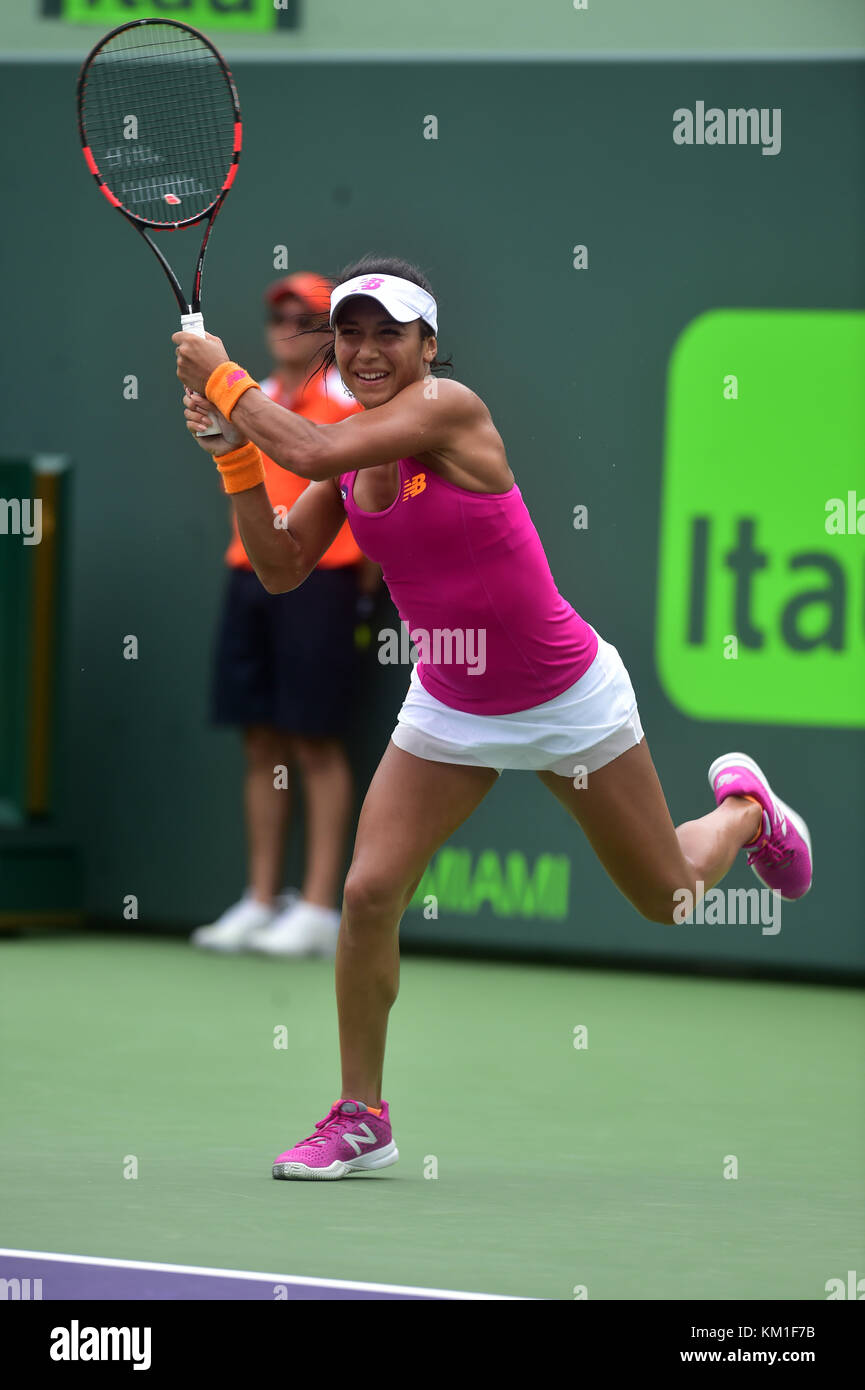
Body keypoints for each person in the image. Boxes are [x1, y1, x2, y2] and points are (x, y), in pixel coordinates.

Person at [174, 254, 813, 1181]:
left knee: (669, 897)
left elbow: (305, 448)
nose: (364, 349)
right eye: (348, 332)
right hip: (450, 701)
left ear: (428, 346)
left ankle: (746, 811)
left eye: (388, 332)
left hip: (567, 699)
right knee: (366, 894)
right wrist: (232, 451)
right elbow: (277, 565)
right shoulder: (350, 459)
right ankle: (362, 1115)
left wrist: (220, 377)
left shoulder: (449, 411)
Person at [192, 272, 375, 958]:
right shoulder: (257, 399)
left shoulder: (346, 403)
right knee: (259, 742)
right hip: (248, 576)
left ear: (327, 332)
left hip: (324, 584)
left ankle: (320, 909)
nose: (284, 324)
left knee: (315, 743)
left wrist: (362, 591)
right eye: (277, 314)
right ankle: (261, 899)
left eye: (303, 316)